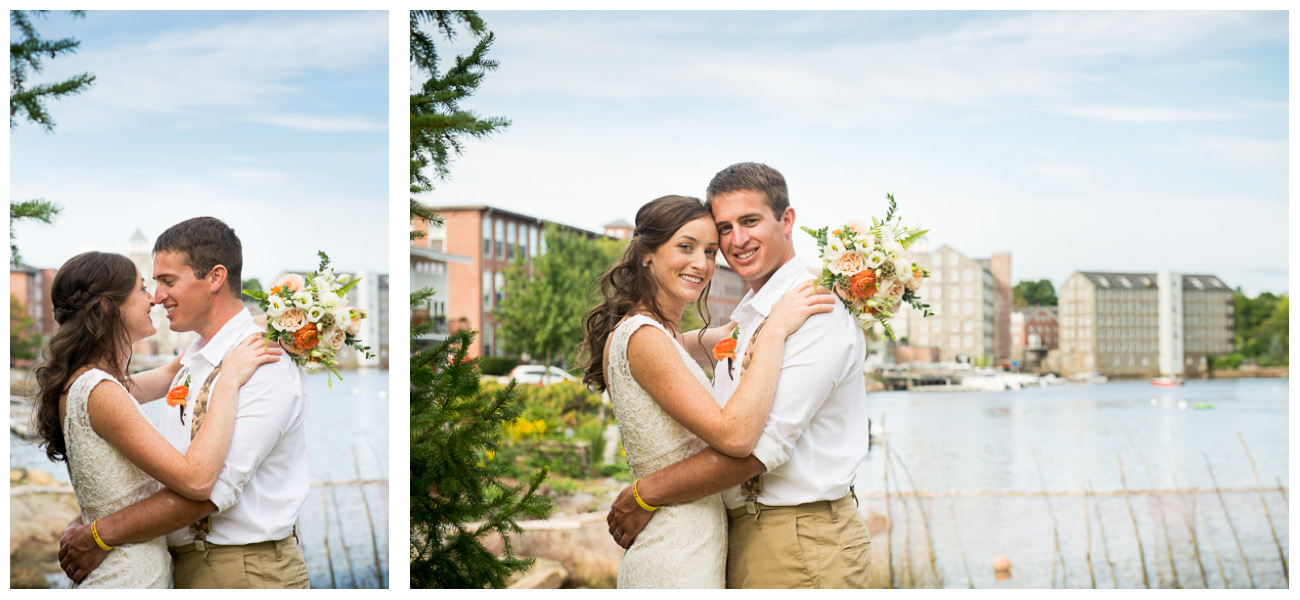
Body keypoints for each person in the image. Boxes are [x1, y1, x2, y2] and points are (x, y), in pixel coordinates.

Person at [606, 163, 873, 588]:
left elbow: (758, 449)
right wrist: (654, 332)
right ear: (647, 255)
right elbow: (686, 344)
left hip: (798, 537)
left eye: (749, 221)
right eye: (724, 229)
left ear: (786, 221)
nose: (736, 241)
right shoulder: (755, 317)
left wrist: (646, 493)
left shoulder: (811, 311)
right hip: (738, 534)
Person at [58, 217, 312, 588]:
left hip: (243, 570)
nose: (157, 297)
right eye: (151, 284)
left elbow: (209, 493)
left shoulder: (262, 363)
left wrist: (100, 532)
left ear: (215, 278)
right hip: (179, 564)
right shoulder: (195, 358)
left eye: (167, 281)